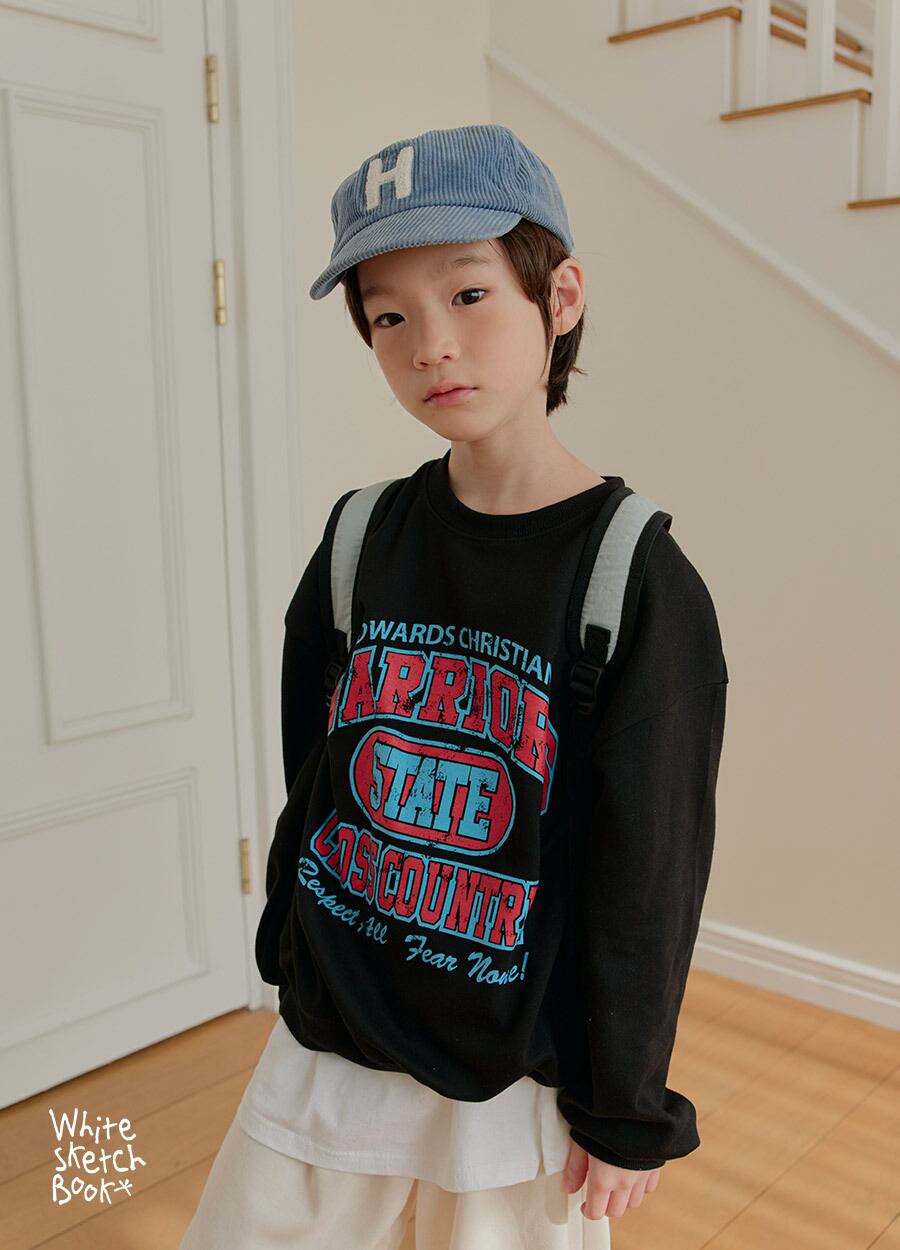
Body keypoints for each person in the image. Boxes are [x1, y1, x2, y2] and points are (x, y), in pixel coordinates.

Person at [178, 123, 728, 1250]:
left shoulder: (633, 578)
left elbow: (648, 870)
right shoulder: (360, 537)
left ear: (559, 297)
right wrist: (289, 945)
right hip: (333, 1042)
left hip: (511, 1076)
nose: (431, 344)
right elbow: (314, 770)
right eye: (389, 316)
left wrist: (624, 1105)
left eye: (470, 294)